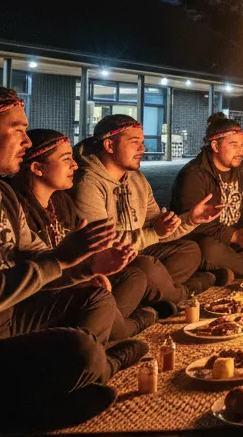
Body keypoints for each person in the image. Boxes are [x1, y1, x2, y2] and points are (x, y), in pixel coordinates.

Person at [0, 85, 148, 431]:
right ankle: (95, 368)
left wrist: (90, 264)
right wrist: (61, 260)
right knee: (75, 349)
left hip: (7, 319)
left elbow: (40, 258)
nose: (26, 141)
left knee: (97, 297)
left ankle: (65, 382)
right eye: (18, 130)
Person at [10, 128, 160, 340]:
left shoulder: (62, 201)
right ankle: (130, 325)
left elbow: (84, 253)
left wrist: (95, 270)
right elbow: (34, 273)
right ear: (37, 168)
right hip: (45, 294)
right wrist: (85, 275)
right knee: (101, 301)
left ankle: (108, 323)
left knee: (133, 275)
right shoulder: (18, 209)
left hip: (78, 280)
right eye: (66, 159)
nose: (75, 165)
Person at [72, 115, 224, 305]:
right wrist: (154, 232)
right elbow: (103, 245)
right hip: (109, 264)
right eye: (134, 142)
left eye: (142, 142)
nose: (142, 148)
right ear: (109, 146)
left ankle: (153, 294)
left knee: (189, 250)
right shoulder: (88, 183)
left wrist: (190, 219)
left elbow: (159, 231)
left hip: (140, 254)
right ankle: (181, 294)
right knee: (146, 268)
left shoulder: (137, 179)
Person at [170, 113, 243, 280]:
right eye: (233, 145)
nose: (240, 151)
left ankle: (228, 268)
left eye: (242, 145)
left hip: (242, 242)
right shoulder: (194, 175)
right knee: (208, 250)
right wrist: (234, 236)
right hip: (213, 241)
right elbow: (193, 223)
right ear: (215, 146)